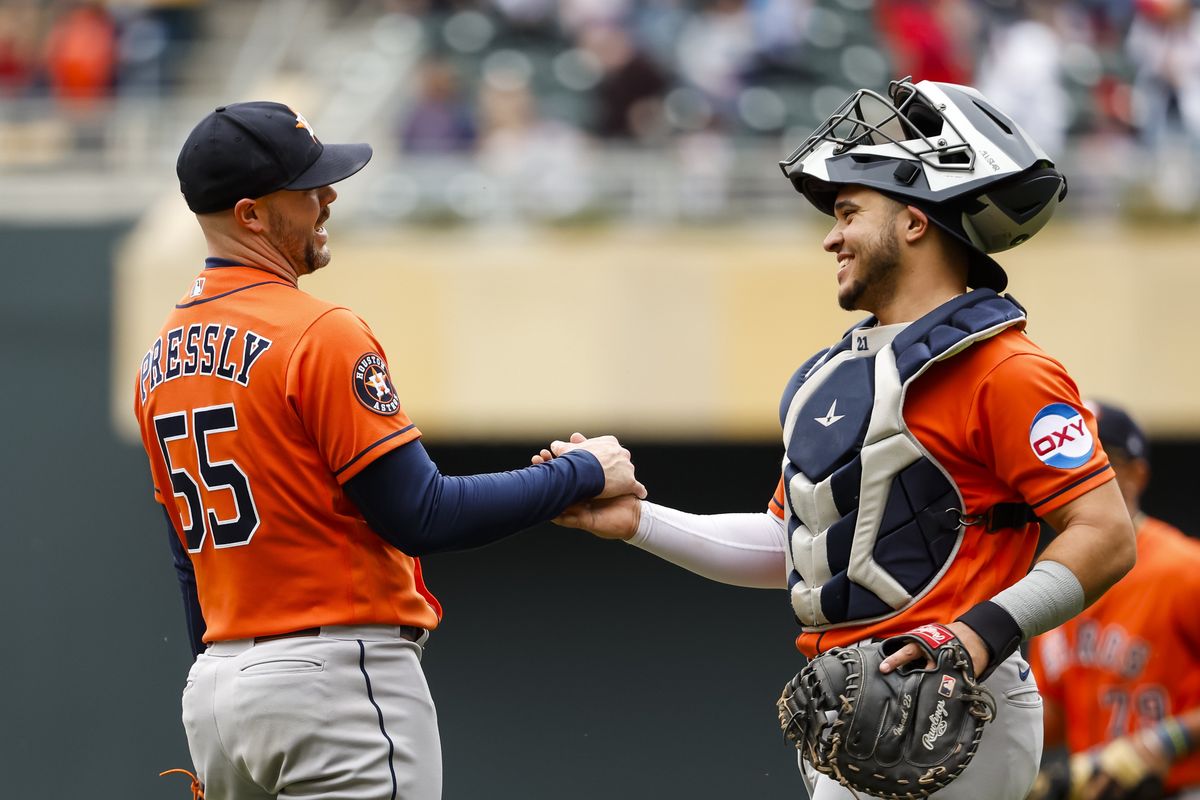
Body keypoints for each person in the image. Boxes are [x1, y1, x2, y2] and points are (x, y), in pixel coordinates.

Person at [540, 77, 1136, 800]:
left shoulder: (1007, 369)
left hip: (954, 704)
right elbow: (793, 544)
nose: (832, 235)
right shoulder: (840, 373)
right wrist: (640, 522)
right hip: (853, 707)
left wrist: (974, 637)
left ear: (915, 222)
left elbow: (1105, 534)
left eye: (850, 211)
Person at [133, 100, 645, 800]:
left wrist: (233, 689)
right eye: (308, 188)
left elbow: (187, 563)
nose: (329, 197)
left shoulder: (157, 360)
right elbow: (420, 513)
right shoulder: (318, 331)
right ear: (251, 215)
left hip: (219, 697)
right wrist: (579, 474)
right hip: (333, 683)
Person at [1027, 401, 1200, 800]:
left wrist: (1164, 742)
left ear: (1138, 474)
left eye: (1101, 458)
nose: (1081, 471)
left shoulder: (1184, 568)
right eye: (1071, 456)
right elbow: (1051, 714)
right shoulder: (1051, 575)